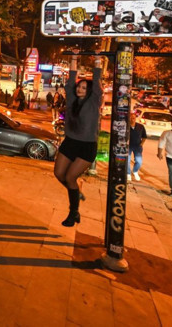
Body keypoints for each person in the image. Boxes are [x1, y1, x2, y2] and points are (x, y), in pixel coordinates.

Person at [53, 53, 103, 226]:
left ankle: (73, 212)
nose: (80, 89)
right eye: (79, 87)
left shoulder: (93, 102)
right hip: (70, 142)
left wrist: (97, 61)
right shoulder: (72, 101)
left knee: (70, 177)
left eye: (83, 88)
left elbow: (96, 83)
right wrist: (73, 59)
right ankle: (75, 193)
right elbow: (69, 83)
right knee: (59, 174)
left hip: (87, 146)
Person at [126, 113, 147, 181]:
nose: (132, 120)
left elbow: (144, 136)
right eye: (130, 118)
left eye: (133, 118)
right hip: (128, 146)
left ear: (135, 118)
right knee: (127, 160)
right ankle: (128, 174)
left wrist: (141, 144)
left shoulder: (140, 126)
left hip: (137, 146)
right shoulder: (126, 126)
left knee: (139, 161)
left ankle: (135, 171)